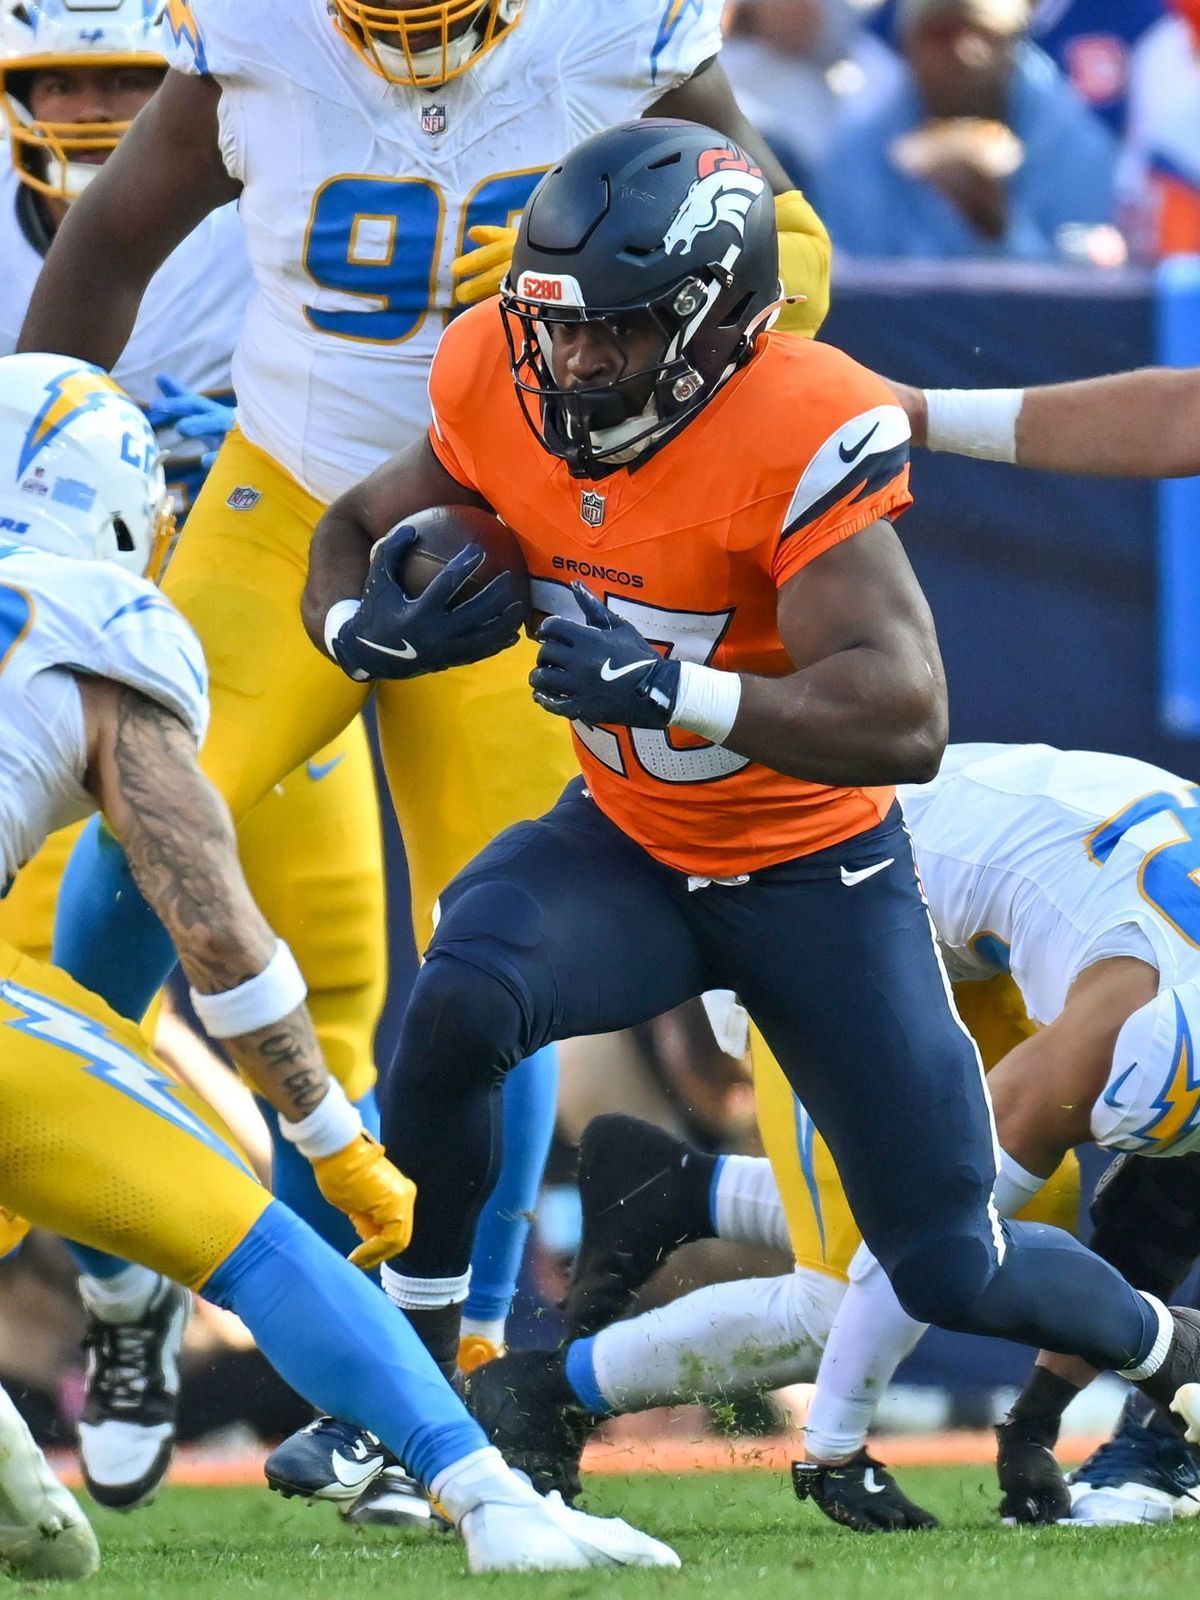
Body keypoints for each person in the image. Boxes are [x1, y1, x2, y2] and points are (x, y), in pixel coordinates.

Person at [301, 119, 1200, 1533]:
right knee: (464, 988)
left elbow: (904, 716)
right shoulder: (494, 364)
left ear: (722, 318)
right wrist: (359, 629)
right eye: (563, 328)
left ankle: (1182, 1361)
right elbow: (353, 523)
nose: (582, 364)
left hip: (814, 870)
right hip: (632, 835)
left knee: (945, 1262)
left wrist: (680, 688)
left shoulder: (799, 419)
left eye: (626, 330)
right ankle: (410, 1373)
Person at [17, 0, 833, 1509]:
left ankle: (448, 1352)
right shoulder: (255, 30)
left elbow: (791, 249)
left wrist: (606, 290)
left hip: (514, 529)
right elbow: (109, 246)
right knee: (132, 846)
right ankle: (115, 1260)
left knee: (492, 962)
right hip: (286, 497)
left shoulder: (609, 29)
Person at [0, 349, 679, 1575]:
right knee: (261, 1245)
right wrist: (326, 1135)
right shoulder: (101, 622)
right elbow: (212, 928)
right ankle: (483, 1490)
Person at [0, 0, 392, 1510]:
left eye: (120, 72)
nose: (96, 103)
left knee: (328, 995)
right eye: (63, 76)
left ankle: (360, 1395)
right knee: (57, 1004)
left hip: (239, 630)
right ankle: (121, 1301)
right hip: (49, 679)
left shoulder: (272, 187)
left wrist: (227, 437)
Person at [461, 740, 1200, 1530]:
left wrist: (1035, 1420)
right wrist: (835, 1448)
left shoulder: (1136, 1008)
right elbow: (937, 1239)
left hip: (969, 910)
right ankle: (543, 1391)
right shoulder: (1111, 1034)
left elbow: (1143, 1234)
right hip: (817, 889)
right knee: (847, 1302)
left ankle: (680, 1187)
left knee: (1032, 1216)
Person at [811, 0, 1117, 261]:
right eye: (941, 35)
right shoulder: (857, 156)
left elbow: (1077, 297)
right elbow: (851, 285)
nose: (963, 52)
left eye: (982, 33)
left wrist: (997, 226)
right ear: (907, 48)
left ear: (1013, 45)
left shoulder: (1076, 150)